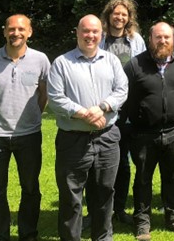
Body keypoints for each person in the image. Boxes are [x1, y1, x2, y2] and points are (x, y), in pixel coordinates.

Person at [47, 14, 128, 241]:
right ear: (77, 32)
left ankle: (103, 237)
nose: (90, 36)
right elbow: (55, 98)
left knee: (104, 193)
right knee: (71, 196)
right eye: (86, 31)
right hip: (73, 140)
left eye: (94, 32)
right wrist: (85, 114)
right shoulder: (62, 63)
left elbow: (122, 90)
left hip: (107, 138)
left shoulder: (111, 61)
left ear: (101, 34)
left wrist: (102, 108)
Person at [0, 14, 50, 241]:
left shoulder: (40, 60)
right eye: (11, 29)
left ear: (30, 32)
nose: (15, 33)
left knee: (30, 188)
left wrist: (31, 118)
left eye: (21, 29)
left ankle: (28, 234)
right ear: (4, 31)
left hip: (29, 134)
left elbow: (43, 96)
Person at [123, 22, 174, 240]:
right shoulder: (135, 65)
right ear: (150, 39)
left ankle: (172, 217)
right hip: (143, 133)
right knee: (143, 178)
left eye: (167, 37)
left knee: (172, 177)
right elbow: (123, 98)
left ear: (173, 39)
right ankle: (142, 222)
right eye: (158, 37)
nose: (163, 41)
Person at [99, 0, 146, 225]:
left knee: (124, 163)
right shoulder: (98, 38)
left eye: (124, 14)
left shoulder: (135, 40)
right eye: (116, 13)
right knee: (97, 163)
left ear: (129, 18)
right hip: (102, 109)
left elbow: (143, 69)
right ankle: (98, 210)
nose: (119, 17)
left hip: (127, 111)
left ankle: (119, 209)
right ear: (109, 15)